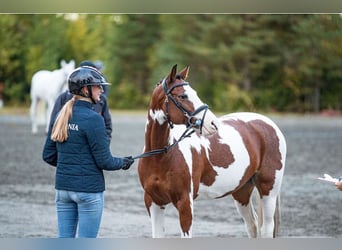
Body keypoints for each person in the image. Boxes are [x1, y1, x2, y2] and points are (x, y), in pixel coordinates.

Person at [42, 66, 134, 238]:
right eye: (98, 86)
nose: (101, 89)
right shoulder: (94, 120)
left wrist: (71, 166)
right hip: (88, 192)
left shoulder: (61, 116)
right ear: (86, 90)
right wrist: (123, 162)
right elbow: (105, 162)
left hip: (63, 190)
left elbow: (48, 155)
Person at [49, 60, 112, 140]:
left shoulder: (102, 100)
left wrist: (105, 142)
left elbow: (107, 126)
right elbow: (53, 125)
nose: (101, 90)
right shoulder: (64, 97)